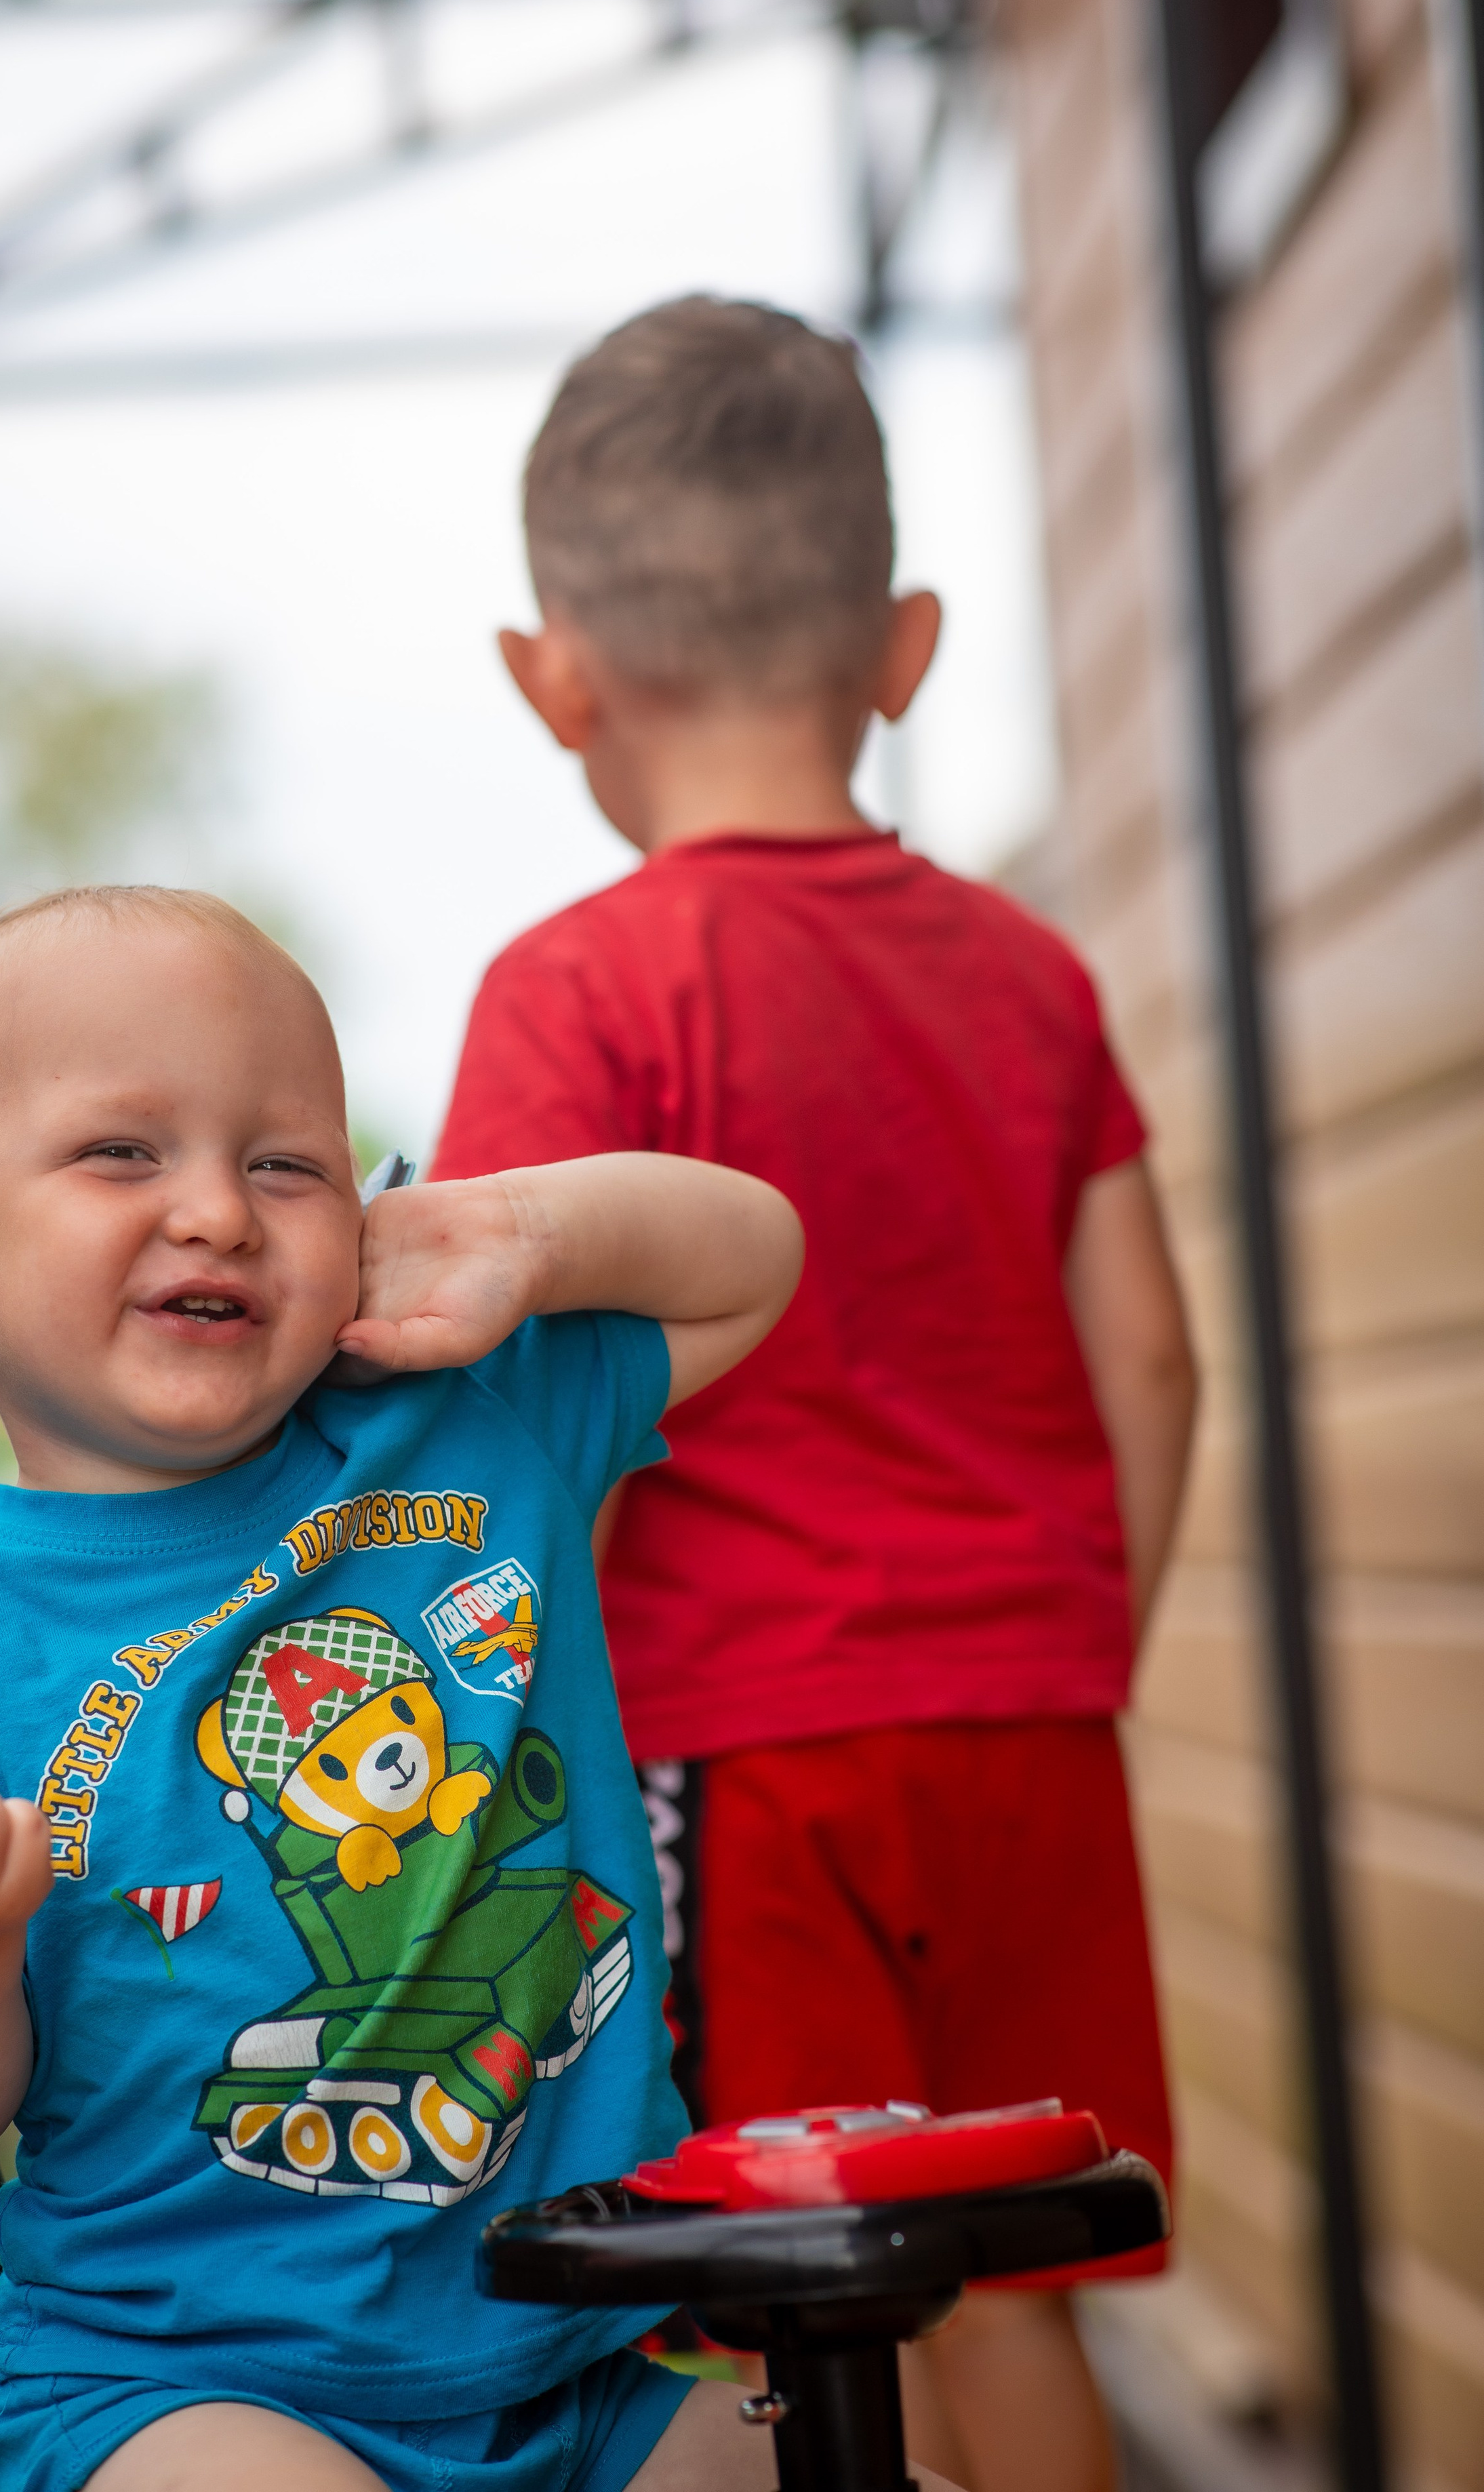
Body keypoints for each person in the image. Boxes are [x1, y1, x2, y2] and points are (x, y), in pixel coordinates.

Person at [0, 882, 880, 2492]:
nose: (221, 1210)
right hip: (177, 2388)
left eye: (286, 1161)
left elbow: (752, 1257)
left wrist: (523, 1232)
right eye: (121, 1152)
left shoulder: (464, 1424)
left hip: (589, 2355)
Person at [431, 297, 1200, 2492]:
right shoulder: (1034, 972)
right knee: (996, 2266)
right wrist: (1076, 1648)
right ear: (913, 641)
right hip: (1037, 1730)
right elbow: (1151, 1346)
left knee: (773, 2301)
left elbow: (508, 1445)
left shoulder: (572, 996)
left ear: (551, 676)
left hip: (742, 1760)